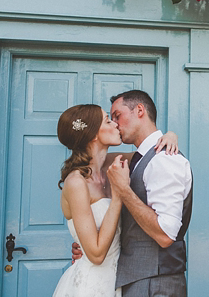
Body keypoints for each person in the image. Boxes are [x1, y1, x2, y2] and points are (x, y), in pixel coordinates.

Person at [54, 104, 178, 297]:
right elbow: (95, 254)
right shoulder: (76, 182)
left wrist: (170, 135)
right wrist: (119, 194)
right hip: (90, 286)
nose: (116, 125)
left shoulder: (113, 164)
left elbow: (151, 153)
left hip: (120, 281)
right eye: (108, 120)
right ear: (93, 134)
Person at [106, 90, 193, 296]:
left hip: (155, 284)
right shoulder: (139, 158)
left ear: (139, 110)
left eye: (117, 115)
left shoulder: (164, 159)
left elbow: (165, 235)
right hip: (138, 279)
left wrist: (123, 190)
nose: (115, 124)